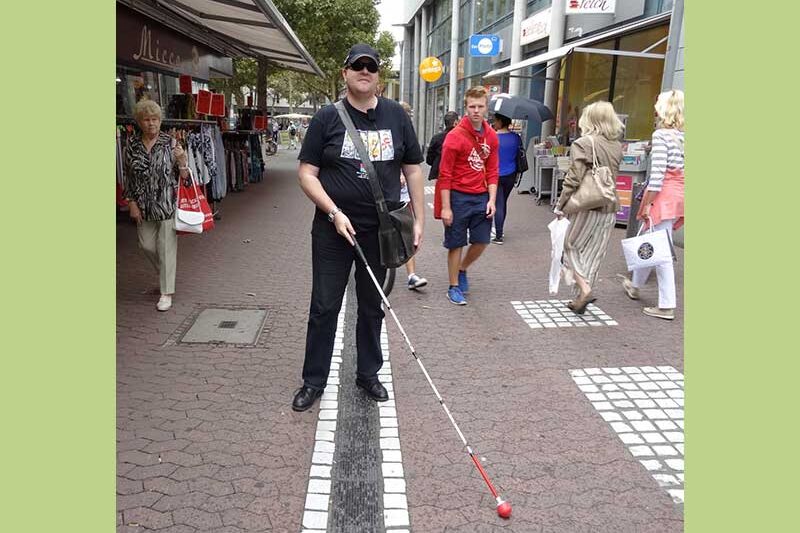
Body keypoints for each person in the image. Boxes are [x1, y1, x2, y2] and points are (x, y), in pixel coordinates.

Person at [292, 43, 425, 412]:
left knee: (373, 306)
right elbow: (306, 173)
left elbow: (413, 168)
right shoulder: (326, 118)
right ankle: (313, 380)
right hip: (333, 229)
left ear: (378, 75)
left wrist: (419, 218)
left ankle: (368, 374)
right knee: (324, 306)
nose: (364, 71)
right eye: (357, 66)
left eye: (371, 66)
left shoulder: (397, 115)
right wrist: (334, 212)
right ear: (345, 73)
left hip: (379, 230)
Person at [554, 101, 623, 314]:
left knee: (569, 245)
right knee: (593, 252)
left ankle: (584, 290)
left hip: (588, 204)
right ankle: (580, 296)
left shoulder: (584, 143)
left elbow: (574, 177)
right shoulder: (617, 145)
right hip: (609, 205)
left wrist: (561, 204)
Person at [622, 90, 685, 320]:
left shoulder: (661, 136)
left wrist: (648, 203)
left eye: (658, 102)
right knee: (652, 239)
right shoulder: (683, 137)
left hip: (664, 195)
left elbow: (657, 176)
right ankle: (635, 285)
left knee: (662, 249)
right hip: (678, 194)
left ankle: (666, 304)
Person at [123, 99, 190, 312]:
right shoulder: (132, 145)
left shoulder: (170, 143)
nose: (151, 124)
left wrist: (182, 161)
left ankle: (166, 292)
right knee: (146, 245)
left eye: (155, 119)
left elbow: (185, 178)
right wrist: (131, 202)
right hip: (143, 205)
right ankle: (165, 273)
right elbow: (128, 176)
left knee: (166, 247)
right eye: (146, 120)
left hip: (167, 204)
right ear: (139, 122)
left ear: (160, 121)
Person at [437, 86, 499, 306]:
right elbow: (445, 174)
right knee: (456, 243)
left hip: (481, 195)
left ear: (486, 108)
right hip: (457, 196)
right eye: (472, 106)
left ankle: (463, 268)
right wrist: (446, 207)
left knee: (482, 240)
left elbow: (492, 170)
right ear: (466, 108)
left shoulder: (491, 136)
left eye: (480, 106)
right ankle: (453, 286)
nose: (476, 111)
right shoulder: (454, 137)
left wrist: (492, 199)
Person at [398, 101, 428, 290]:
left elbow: (414, 170)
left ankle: (411, 275)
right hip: (381, 197)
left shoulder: (408, 137)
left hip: (403, 197)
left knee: (407, 235)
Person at [491, 113, 521, 245]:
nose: (494, 123)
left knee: (498, 203)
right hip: (511, 174)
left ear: (500, 122)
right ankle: (500, 229)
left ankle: (498, 235)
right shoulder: (516, 138)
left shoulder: (493, 138)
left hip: (496, 174)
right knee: (503, 202)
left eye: (495, 121)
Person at [426, 111, 459, 180]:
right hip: (456, 174)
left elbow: (429, 159)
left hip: (438, 173)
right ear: (455, 122)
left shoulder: (436, 138)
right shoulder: (460, 138)